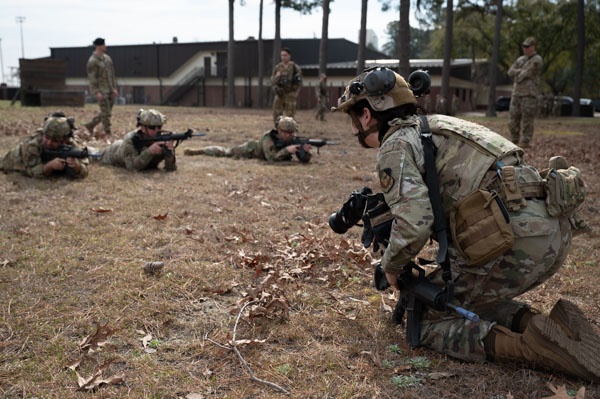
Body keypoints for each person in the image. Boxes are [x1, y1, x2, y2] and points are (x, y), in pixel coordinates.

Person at [331, 66, 598, 382]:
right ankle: (551, 328)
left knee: (430, 316)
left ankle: (535, 348)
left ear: (366, 114)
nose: (353, 128)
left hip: (514, 238)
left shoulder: (395, 144)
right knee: (463, 296)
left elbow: (416, 222)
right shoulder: (439, 126)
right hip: (553, 228)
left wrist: (391, 267)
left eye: (353, 118)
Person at [183, 116, 312, 163]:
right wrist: (287, 151)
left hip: (262, 152)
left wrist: (304, 152)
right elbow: (271, 158)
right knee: (226, 152)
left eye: (291, 133)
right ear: (279, 130)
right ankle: (199, 150)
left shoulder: (291, 139)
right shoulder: (268, 138)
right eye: (286, 133)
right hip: (251, 149)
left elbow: (304, 159)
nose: (290, 136)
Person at [0, 112, 89, 178]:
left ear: (65, 140)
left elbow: (85, 168)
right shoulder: (32, 145)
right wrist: (48, 166)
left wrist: (78, 167)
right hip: (13, 163)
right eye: (47, 137)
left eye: (54, 140)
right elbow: (32, 171)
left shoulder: (71, 144)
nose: (49, 142)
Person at [98, 109, 177, 172]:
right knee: (92, 154)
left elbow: (171, 169)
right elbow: (132, 167)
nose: (156, 130)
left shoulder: (162, 139)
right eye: (152, 127)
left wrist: (170, 156)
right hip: (111, 154)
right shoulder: (131, 139)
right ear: (143, 128)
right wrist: (149, 152)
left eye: (159, 126)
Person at [507, 37, 543, 148]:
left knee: (527, 119)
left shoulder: (537, 60)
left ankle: (525, 141)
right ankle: (514, 139)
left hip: (529, 94)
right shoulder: (520, 60)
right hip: (516, 93)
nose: (525, 48)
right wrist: (519, 71)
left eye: (527, 46)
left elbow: (528, 73)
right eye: (524, 46)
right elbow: (510, 72)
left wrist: (519, 73)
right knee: (513, 118)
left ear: (533, 47)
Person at [84, 37, 119, 137]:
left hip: (110, 89)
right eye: (104, 44)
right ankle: (107, 132)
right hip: (101, 90)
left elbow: (112, 75)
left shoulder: (107, 59)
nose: (106, 46)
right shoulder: (92, 61)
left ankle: (90, 125)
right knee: (106, 113)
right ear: (99, 46)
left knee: (106, 112)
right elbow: (92, 78)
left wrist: (114, 88)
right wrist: (96, 92)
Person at [271, 47, 302, 123]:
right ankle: (278, 130)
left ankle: (289, 131)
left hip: (290, 94)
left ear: (289, 56)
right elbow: (272, 81)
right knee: (277, 114)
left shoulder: (295, 68)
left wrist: (296, 93)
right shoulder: (278, 67)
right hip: (280, 94)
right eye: (282, 55)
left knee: (290, 115)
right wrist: (276, 77)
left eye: (285, 55)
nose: (283, 57)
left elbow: (300, 82)